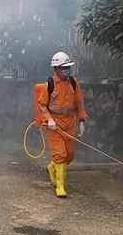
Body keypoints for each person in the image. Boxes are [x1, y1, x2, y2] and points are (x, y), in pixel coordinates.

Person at [37, 51, 88, 198]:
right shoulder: (50, 85)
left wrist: (82, 120)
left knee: (69, 155)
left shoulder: (73, 83)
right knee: (60, 154)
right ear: (56, 68)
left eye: (68, 67)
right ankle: (60, 186)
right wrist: (49, 119)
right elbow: (42, 105)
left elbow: (79, 103)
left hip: (70, 121)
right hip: (55, 123)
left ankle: (52, 167)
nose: (67, 69)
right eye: (64, 67)